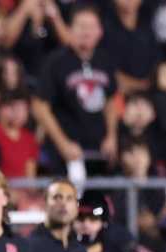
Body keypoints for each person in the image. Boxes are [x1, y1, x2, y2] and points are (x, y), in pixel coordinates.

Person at [32, 4, 118, 174]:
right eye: (81, 27)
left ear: (100, 32)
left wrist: (111, 136)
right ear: (70, 29)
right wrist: (62, 143)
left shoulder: (105, 60)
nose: (86, 32)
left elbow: (111, 101)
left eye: (91, 27)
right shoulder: (55, 62)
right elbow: (39, 106)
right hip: (67, 152)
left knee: (102, 199)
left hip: (100, 151)